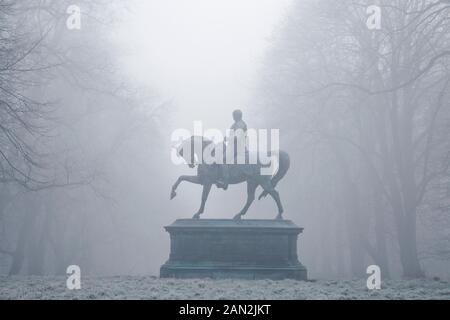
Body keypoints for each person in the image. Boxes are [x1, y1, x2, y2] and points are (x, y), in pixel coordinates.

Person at [217, 109, 247, 190]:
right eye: (233, 115)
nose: (233, 117)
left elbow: (237, 137)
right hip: (232, 146)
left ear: (238, 115)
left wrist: (228, 138)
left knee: (223, 160)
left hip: (237, 147)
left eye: (234, 115)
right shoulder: (236, 124)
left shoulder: (240, 124)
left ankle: (225, 182)